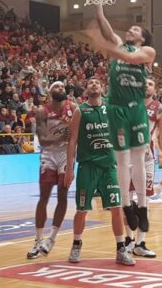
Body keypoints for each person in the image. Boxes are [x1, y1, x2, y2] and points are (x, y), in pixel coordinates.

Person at [89, 5, 162, 258]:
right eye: (129, 29)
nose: (130, 31)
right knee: (122, 160)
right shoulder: (119, 44)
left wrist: (104, 46)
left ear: (143, 38)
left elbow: (130, 58)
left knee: (139, 157)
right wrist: (99, 12)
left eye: (135, 30)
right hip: (117, 108)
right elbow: (107, 30)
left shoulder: (147, 52)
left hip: (135, 108)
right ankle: (126, 205)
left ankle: (142, 206)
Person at [63, 78, 134, 266]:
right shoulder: (80, 111)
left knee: (116, 207)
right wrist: (69, 168)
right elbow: (72, 140)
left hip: (109, 166)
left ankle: (121, 249)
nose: (94, 84)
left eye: (97, 83)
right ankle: (76, 244)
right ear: (86, 89)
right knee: (82, 209)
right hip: (87, 166)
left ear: (102, 88)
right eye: (90, 83)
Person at [26, 81, 75, 259]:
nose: (61, 88)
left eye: (63, 87)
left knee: (62, 194)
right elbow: (43, 140)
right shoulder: (42, 111)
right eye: (57, 87)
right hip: (48, 155)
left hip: (66, 154)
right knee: (44, 197)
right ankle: (38, 240)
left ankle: (51, 238)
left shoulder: (73, 108)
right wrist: (60, 137)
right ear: (50, 92)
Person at [124, 78, 162, 258]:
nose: (146, 86)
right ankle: (128, 241)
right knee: (127, 200)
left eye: (150, 84)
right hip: (127, 156)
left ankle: (140, 243)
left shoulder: (160, 109)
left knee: (145, 199)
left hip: (146, 158)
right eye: (143, 83)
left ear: (155, 89)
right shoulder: (129, 104)